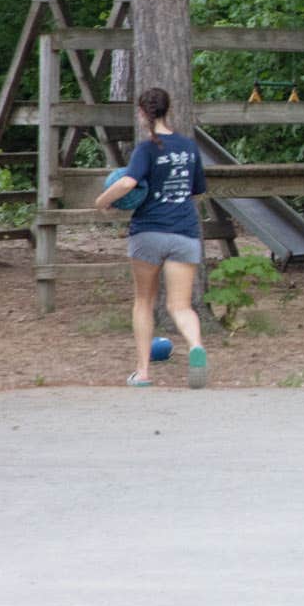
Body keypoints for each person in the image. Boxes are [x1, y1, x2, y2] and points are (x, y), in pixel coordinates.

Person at [98, 86, 211, 387]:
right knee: (180, 306)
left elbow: (127, 183)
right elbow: (198, 190)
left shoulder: (147, 148)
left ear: (142, 113)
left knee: (144, 302)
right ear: (167, 110)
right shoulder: (188, 147)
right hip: (184, 232)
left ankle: (143, 372)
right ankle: (196, 346)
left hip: (148, 232)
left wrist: (103, 201)